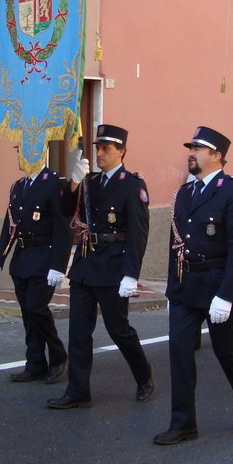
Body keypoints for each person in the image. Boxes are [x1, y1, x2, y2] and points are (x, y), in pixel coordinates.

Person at [154, 127, 233, 445]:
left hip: (218, 285)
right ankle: (183, 423)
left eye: (197, 149)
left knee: (228, 352)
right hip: (187, 286)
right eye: (191, 148)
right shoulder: (185, 193)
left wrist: (226, 296)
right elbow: (177, 246)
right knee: (179, 352)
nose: (191, 153)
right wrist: (172, 290)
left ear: (216, 156)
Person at [47, 124, 153, 409]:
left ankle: (144, 376)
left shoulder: (132, 185)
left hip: (113, 266)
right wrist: (73, 182)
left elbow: (138, 233)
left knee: (119, 330)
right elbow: (65, 211)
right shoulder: (89, 181)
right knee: (79, 332)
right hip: (86, 264)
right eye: (98, 148)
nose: (100, 153)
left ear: (122, 151)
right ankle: (78, 391)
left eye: (106, 148)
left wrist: (131, 274)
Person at [0, 159, 71, 384]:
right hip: (22, 259)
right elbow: (10, 226)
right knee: (28, 313)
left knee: (36, 308)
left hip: (45, 257)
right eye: (19, 152)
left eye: (24, 151)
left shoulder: (54, 183)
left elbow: (63, 228)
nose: (20, 158)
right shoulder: (18, 186)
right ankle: (35, 363)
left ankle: (58, 355)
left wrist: (58, 266)